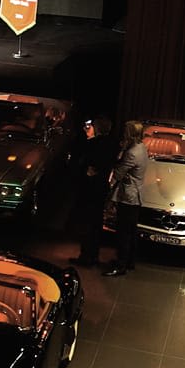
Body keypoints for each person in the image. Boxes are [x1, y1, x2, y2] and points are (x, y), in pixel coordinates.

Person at [71, 118, 118, 268]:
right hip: (101, 187)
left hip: (91, 188)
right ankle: (93, 255)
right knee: (96, 222)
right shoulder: (112, 143)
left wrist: (90, 140)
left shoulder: (96, 144)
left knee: (88, 222)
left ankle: (87, 256)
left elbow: (86, 162)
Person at [105, 120, 150, 276]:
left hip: (128, 196)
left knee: (123, 232)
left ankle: (120, 265)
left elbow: (118, 173)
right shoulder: (141, 147)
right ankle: (129, 261)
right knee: (130, 231)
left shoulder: (131, 152)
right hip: (136, 194)